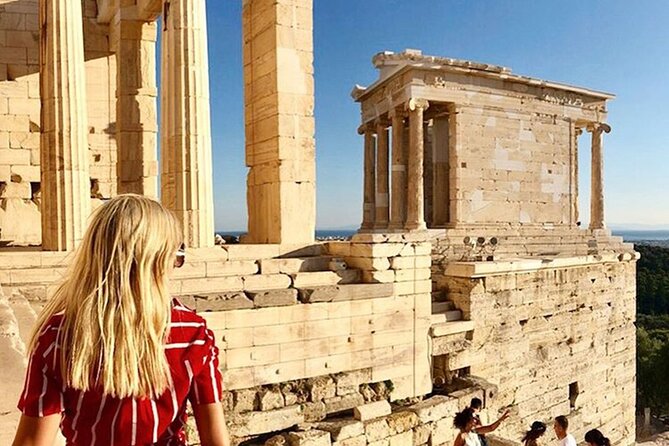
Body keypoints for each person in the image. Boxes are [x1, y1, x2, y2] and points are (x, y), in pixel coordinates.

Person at [12, 194, 231, 446]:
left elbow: (32, 440)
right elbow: (215, 438)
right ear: (159, 260)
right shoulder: (193, 333)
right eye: (177, 254)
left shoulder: (58, 335)